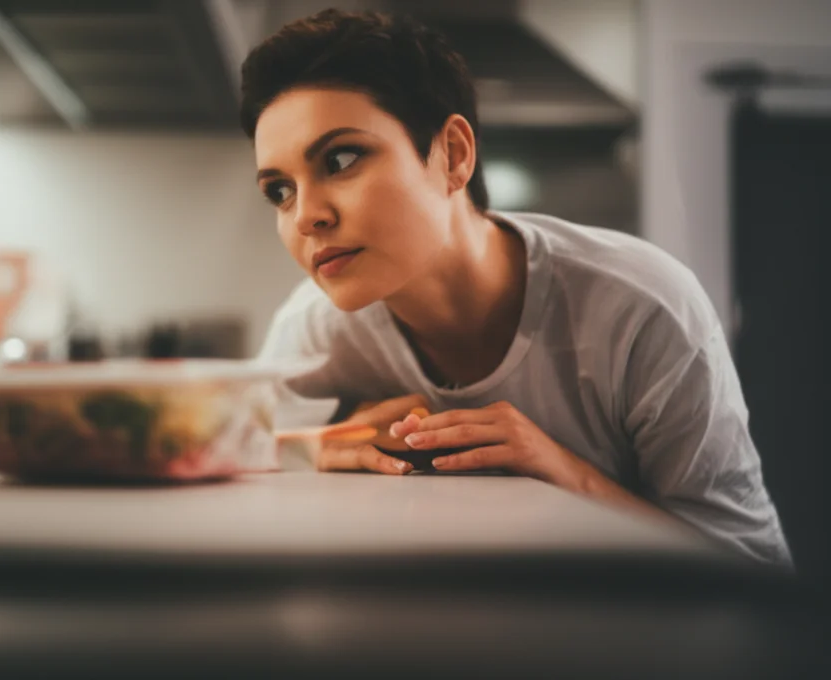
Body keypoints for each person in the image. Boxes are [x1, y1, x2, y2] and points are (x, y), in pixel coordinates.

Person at [240, 8, 791, 568]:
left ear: (453, 155)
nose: (306, 216)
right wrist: (322, 445)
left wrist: (564, 472)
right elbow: (231, 454)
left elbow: (752, 570)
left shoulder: (643, 310)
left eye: (341, 158)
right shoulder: (316, 326)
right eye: (279, 191)